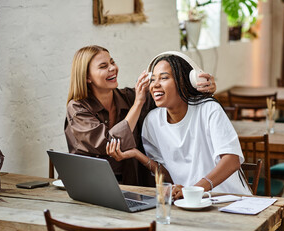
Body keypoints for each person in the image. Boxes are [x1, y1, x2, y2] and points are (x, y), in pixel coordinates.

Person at [65, 45, 216, 186]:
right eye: (103, 66)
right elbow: (109, 145)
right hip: (89, 184)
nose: (113, 68)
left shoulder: (128, 96)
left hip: (130, 184)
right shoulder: (77, 108)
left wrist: (202, 87)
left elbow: (174, 93)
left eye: (112, 62)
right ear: (87, 77)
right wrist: (138, 104)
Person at [106, 51, 251, 197]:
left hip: (228, 200)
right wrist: (137, 154)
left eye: (164, 78)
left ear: (184, 81)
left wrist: (193, 190)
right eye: (153, 79)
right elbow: (168, 176)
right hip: (188, 203)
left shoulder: (208, 109)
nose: (155, 85)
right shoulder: (152, 121)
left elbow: (232, 161)